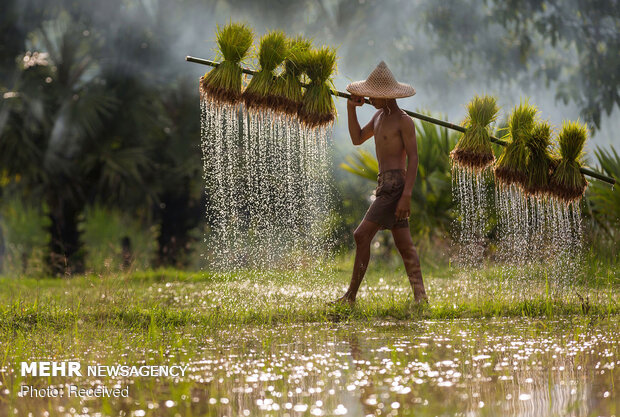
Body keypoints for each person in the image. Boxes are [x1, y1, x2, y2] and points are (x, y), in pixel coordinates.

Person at [335, 61, 427, 305]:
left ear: (387, 96)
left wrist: (406, 195)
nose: (369, 98)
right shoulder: (378, 116)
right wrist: (350, 108)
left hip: (396, 186)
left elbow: (414, 158)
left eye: (374, 95)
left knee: (361, 235)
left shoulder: (403, 121)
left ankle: (350, 297)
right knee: (405, 245)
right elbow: (356, 139)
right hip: (384, 184)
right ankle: (421, 299)